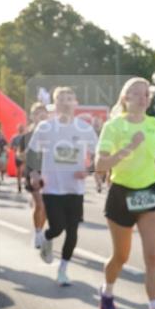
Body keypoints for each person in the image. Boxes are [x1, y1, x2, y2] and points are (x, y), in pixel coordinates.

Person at [96, 77, 155, 309]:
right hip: (121, 194)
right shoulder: (113, 126)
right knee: (121, 256)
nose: (143, 98)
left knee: (153, 257)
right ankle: (107, 291)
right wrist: (128, 148)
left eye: (146, 94)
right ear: (125, 98)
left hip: (148, 194)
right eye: (137, 94)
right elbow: (100, 165)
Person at [26, 87, 98, 284]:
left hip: (75, 189)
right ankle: (47, 238)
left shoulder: (84, 128)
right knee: (57, 227)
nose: (66, 103)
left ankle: (63, 270)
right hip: (52, 188)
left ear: (75, 103)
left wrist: (88, 171)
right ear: (55, 105)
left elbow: (98, 156)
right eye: (61, 100)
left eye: (69, 99)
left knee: (72, 231)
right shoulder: (45, 128)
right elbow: (32, 153)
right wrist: (34, 173)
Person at [13, 104, 49, 248]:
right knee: (39, 204)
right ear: (32, 117)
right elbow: (19, 155)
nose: (41, 115)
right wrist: (28, 152)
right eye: (37, 113)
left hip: (47, 172)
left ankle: (41, 231)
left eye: (43, 113)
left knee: (45, 207)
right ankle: (38, 232)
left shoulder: (52, 133)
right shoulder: (27, 136)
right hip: (32, 171)